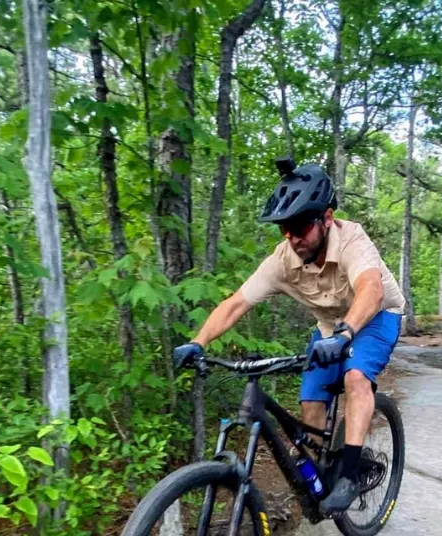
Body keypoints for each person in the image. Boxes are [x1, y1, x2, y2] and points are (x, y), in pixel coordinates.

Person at [172, 158, 405, 514]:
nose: (292, 238)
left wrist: (346, 334)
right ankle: (318, 479)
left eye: (299, 226)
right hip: (329, 329)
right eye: (284, 229)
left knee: (356, 377)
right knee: (311, 404)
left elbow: (370, 289)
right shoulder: (283, 259)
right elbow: (235, 303)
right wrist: (197, 342)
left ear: (326, 218)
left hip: (374, 316)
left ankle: (349, 475)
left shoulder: (351, 240)